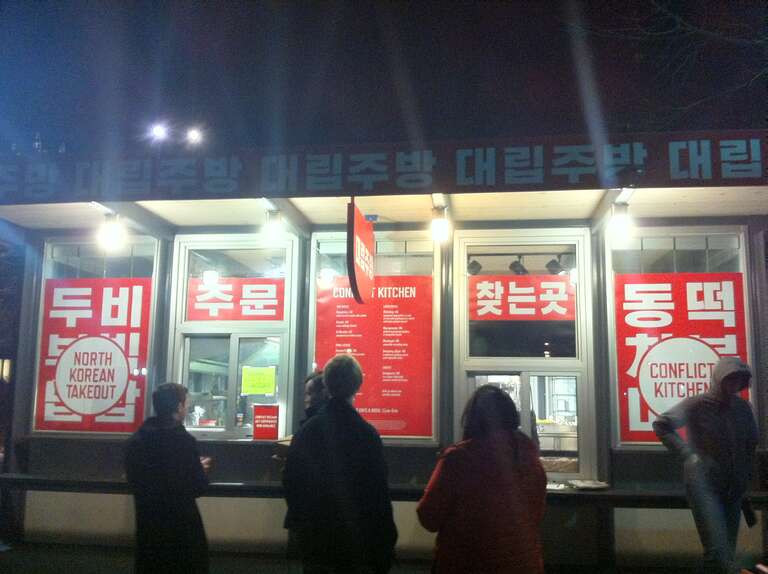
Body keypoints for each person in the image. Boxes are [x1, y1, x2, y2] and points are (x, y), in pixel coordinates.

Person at [283, 355, 397, 573]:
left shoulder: (307, 431)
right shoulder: (366, 434)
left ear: (326, 384)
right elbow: (377, 492)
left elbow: (291, 483)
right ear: (357, 385)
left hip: (317, 542)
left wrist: (303, 528)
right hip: (357, 541)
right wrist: (386, 539)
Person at [417, 385, 547, 574]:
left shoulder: (459, 459)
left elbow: (428, 517)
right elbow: (536, 514)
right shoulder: (531, 460)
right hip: (524, 564)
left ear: (472, 419)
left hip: (468, 564)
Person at [653, 356, 758, 574]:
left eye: (739, 380)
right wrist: (687, 454)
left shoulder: (743, 407)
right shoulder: (697, 404)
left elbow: (751, 443)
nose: (734, 384)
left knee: (724, 554)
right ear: (719, 379)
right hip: (704, 487)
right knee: (718, 553)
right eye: (730, 379)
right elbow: (662, 424)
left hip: (734, 489)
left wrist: (745, 476)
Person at [125, 383, 211, 574]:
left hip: (149, 529)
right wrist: (200, 469)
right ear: (178, 407)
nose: (187, 408)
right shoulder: (184, 442)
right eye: (186, 404)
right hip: (182, 532)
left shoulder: (136, 441)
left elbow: (135, 481)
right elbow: (198, 487)